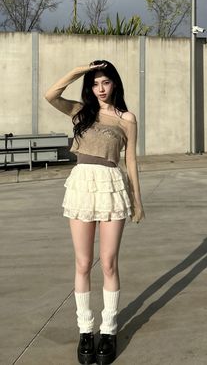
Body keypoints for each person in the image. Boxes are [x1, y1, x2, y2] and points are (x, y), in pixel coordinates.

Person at [44, 60, 145, 365]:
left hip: (112, 185)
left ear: (115, 84)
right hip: (82, 185)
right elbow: (51, 95)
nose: (100, 89)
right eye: (95, 83)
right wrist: (77, 71)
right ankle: (86, 330)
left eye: (105, 82)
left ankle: (109, 330)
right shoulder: (80, 111)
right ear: (90, 87)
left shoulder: (127, 118)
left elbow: (130, 162)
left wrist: (137, 200)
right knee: (84, 262)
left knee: (110, 262)